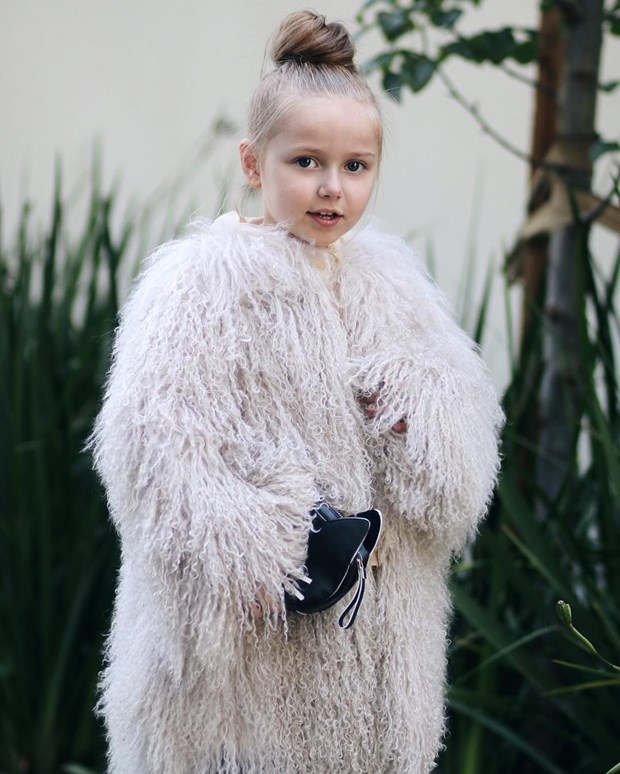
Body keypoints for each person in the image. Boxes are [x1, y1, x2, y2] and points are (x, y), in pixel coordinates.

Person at [90, 10, 503, 773]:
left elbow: (462, 471)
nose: (332, 187)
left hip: (377, 674)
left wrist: (414, 412)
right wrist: (268, 548)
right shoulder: (200, 285)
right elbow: (155, 452)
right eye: (307, 160)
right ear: (254, 162)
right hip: (242, 681)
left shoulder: (396, 287)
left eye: (356, 166)